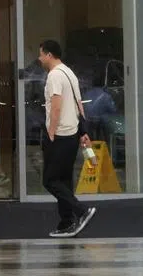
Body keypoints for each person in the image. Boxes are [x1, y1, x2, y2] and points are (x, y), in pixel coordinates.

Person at [38, 40, 96, 238]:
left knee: (50, 180)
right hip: (72, 134)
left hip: (60, 135)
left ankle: (81, 211)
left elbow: (56, 106)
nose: (39, 59)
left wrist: (51, 133)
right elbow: (79, 104)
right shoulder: (69, 73)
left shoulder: (54, 75)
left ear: (49, 55)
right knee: (63, 180)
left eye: (41, 54)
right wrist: (83, 131)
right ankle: (66, 223)